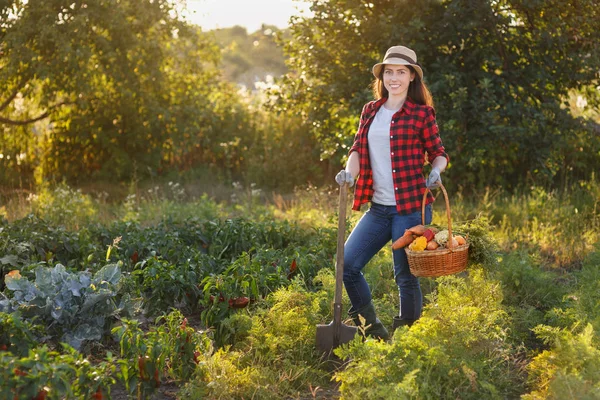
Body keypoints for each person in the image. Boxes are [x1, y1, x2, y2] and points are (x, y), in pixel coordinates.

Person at [335, 45, 448, 340]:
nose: (394, 78)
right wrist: (349, 173)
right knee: (346, 265)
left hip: (410, 208)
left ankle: (406, 340)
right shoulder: (370, 110)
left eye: (401, 72)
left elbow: (439, 154)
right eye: (389, 72)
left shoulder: (422, 114)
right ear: (382, 76)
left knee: (405, 277)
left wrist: (435, 171)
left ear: (412, 77)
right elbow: (358, 150)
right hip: (379, 208)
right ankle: (373, 330)